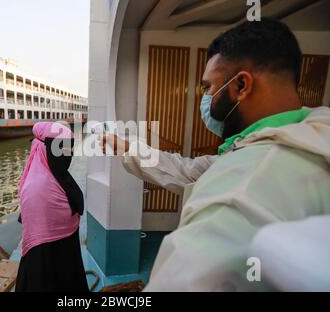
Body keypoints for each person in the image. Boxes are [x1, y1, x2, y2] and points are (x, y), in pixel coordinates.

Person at [103, 18, 330, 291]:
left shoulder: (239, 194)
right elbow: (188, 171)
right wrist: (128, 148)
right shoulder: (311, 133)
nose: (207, 97)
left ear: (241, 86)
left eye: (209, 87)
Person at [16, 122, 88, 292]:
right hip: (44, 260)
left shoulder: (58, 175)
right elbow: (39, 247)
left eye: (70, 149)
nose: (68, 154)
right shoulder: (37, 188)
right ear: (46, 149)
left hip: (66, 256)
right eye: (61, 149)